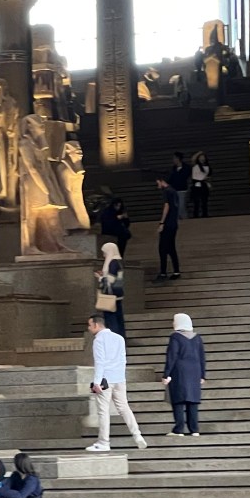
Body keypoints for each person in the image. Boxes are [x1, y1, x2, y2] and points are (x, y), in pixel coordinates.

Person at [85, 313, 146, 452]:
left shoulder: (98, 340)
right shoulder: (119, 338)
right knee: (124, 408)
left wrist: (96, 382)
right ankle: (137, 435)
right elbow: (123, 359)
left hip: (105, 380)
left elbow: (100, 362)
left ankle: (104, 442)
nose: (89, 328)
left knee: (103, 411)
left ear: (96, 325)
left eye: (90, 325)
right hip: (119, 378)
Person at [162, 313, 206, 436]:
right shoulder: (197, 338)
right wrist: (202, 375)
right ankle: (194, 429)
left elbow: (172, 356)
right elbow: (202, 357)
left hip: (179, 372)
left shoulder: (175, 337)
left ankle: (179, 429)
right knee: (192, 401)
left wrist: (166, 374)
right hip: (195, 372)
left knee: (178, 400)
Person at [95, 242, 126, 339]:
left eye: (105, 252)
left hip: (110, 296)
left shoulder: (112, 263)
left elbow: (110, 280)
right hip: (118, 295)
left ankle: (114, 339)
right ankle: (121, 338)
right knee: (118, 318)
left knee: (112, 319)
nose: (104, 255)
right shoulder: (118, 262)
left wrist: (100, 278)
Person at [154, 178, 180, 282]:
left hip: (168, 224)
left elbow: (166, 206)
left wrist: (162, 222)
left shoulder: (166, 191)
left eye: (158, 183)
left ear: (162, 181)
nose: (157, 186)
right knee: (171, 248)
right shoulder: (173, 191)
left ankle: (163, 272)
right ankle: (176, 271)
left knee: (162, 248)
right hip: (173, 223)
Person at [168, 152, 189, 219]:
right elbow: (171, 179)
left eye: (174, 158)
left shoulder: (186, 167)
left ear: (178, 158)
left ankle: (184, 219)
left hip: (182, 190)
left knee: (181, 206)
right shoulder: (173, 168)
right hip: (174, 190)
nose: (173, 160)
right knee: (176, 206)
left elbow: (185, 177)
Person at [190, 152, 211, 218]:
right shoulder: (195, 165)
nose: (202, 158)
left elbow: (208, 177)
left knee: (204, 201)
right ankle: (195, 215)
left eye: (203, 157)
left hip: (204, 185)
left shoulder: (207, 167)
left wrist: (208, 182)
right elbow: (193, 159)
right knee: (196, 202)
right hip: (197, 185)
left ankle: (205, 215)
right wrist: (199, 153)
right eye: (200, 157)